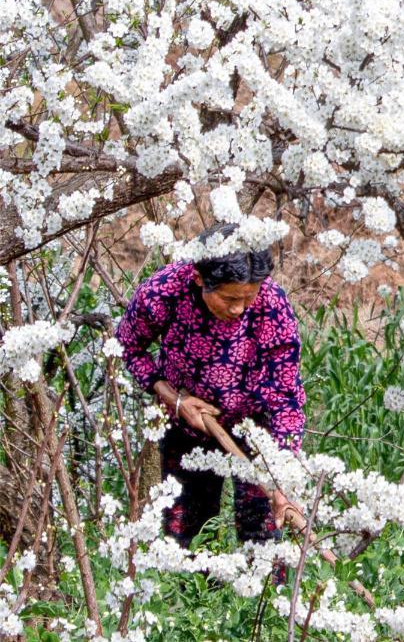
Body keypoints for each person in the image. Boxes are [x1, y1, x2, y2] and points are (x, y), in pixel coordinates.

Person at [115, 223, 306, 553]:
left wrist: (283, 473)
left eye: (247, 297)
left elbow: (285, 397)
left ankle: (264, 586)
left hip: (256, 430)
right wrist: (174, 399)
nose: (238, 308)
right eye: (229, 298)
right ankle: (192, 584)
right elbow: (128, 346)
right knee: (186, 531)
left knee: (264, 532)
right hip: (188, 427)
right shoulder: (164, 291)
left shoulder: (272, 306)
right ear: (199, 278)